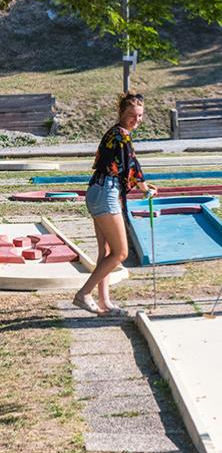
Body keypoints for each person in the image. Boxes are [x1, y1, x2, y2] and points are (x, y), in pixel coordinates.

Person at [73, 92, 157, 316]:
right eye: (132, 115)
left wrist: (142, 184)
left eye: (139, 116)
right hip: (106, 193)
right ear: (121, 113)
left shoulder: (116, 133)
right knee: (120, 253)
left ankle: (105, 302)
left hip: (97, 190)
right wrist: (142, 187)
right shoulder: (121, 135)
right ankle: (84, 294)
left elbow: (128, 164)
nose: (136, 119)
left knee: (107, 252)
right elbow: (129, 167)